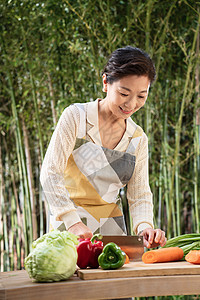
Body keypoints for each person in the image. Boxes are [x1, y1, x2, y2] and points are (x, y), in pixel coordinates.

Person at [40, 46, 166, 249]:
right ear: (106, 82)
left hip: (113, 229)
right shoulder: (76, 117)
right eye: (124, 93)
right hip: (69, 226)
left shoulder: (137, 138)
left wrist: (145, 228)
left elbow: (139, 193)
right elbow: (50, 173)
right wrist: (72, 223)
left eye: (141, 96)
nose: (131, 104)